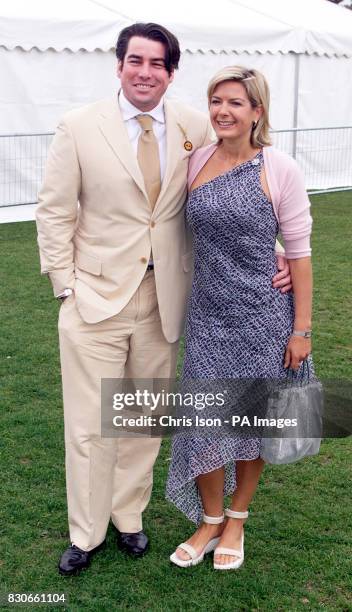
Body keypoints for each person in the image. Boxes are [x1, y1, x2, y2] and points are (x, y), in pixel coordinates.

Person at [36, 24, 291, 576]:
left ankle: (130, 518)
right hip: (93, 299)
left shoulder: (197, 125)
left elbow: (243, 183)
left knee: (143, 419)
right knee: (88, 423)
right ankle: (87, 531)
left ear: (171, 73)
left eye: (157, 64)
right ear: (120, 66)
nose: (145, 71)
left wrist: (275, 253)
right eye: (135, 60)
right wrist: (66, 285)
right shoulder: (78, 127)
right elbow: (54, 212)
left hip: (167, 299)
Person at [166, 65, 313, 570]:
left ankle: (236, 518)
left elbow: (299, 254)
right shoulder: (196, 160)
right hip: (207, 315)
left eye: (235, 103)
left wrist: (301, 329)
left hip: (265, 316)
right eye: (216, 101)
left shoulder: (280, 168)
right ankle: (208, 520)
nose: (223, 111)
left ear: (257, 111)